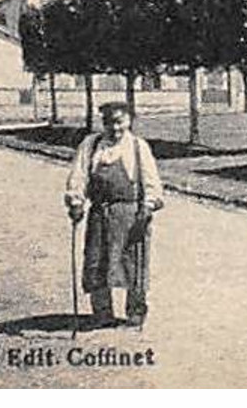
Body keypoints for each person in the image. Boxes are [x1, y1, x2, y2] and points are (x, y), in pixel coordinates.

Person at [65, 102, 164, 328]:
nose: (114, 128)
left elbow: (152, 183)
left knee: (133, 262)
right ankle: (102, 313)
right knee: (96, 261)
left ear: (129, 121)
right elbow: (78, 176)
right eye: (109, 122)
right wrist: (76, 202)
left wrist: (148, 207)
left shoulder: (138, 147)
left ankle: (135, 311)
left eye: (120, 122)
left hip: (131, 214)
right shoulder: (91, 145)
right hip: (100, 213)